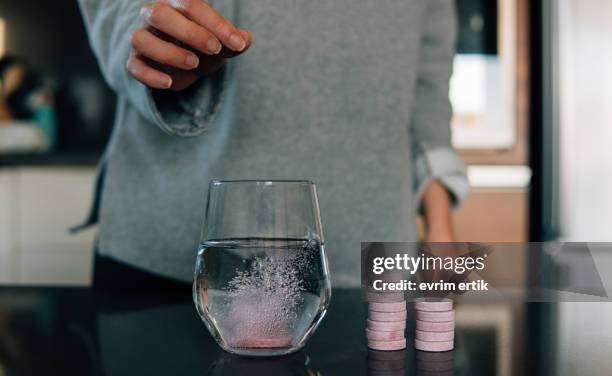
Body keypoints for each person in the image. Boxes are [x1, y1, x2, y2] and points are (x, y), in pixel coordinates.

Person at [78, 0, 468, 287]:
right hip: (172, 256)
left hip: (369, 264)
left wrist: (440, 226)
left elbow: (427, 97)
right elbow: (120, 11)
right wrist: (151, 39)